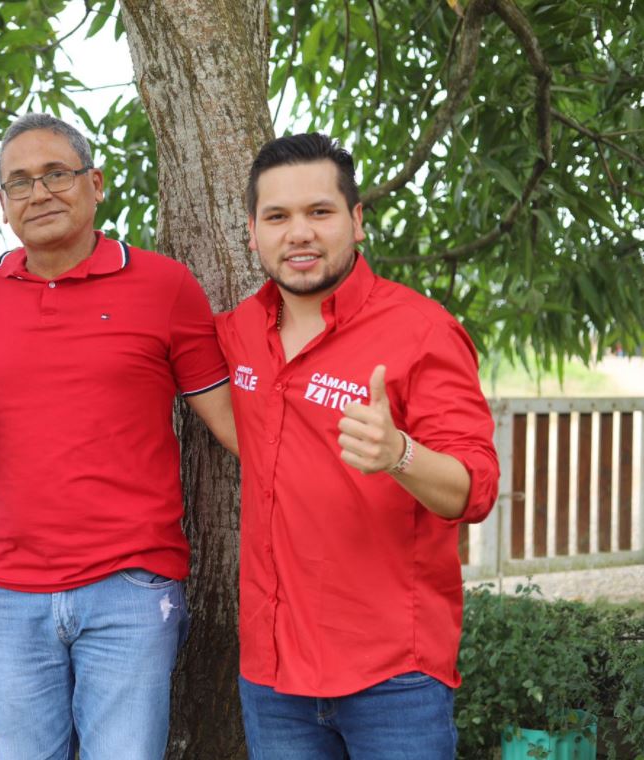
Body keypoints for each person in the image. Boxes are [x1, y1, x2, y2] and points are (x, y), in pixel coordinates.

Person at [0, 113, 237, 759]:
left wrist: (344, 445)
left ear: (95, 182)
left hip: (130, 588)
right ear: (1, 204)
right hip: (11, 593)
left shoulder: (164, 286)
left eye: (56, 174)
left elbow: (232, 424)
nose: (38, 193)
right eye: (18, 182)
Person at [216, 133, 499, 759]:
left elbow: (474, 490)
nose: (300, 234)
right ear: (252, 231)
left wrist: (398, 452)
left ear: (356, 221)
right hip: (272, 674)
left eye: (320, 212)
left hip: (393, 676)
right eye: (278, 217)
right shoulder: (236, 332)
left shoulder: (423, 332)